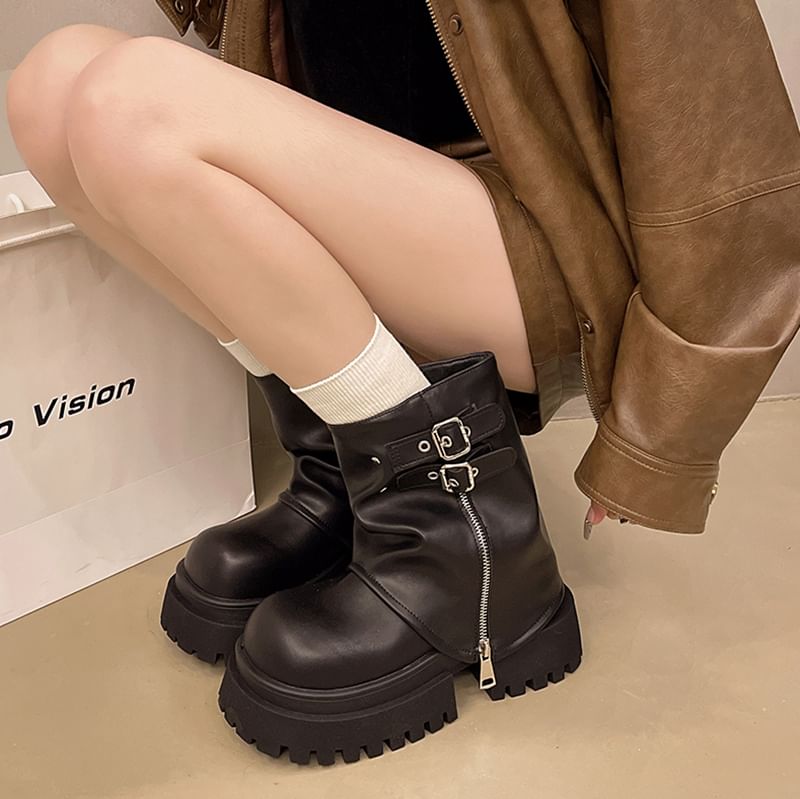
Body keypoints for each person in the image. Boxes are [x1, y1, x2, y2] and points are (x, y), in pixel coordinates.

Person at [6, 0, 798, 766]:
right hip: (379, 206)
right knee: (52, 84)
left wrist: (659, 438)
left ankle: (462, 540)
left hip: (538, 237)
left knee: (131, 104)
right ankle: (345, 471)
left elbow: (736, 149)